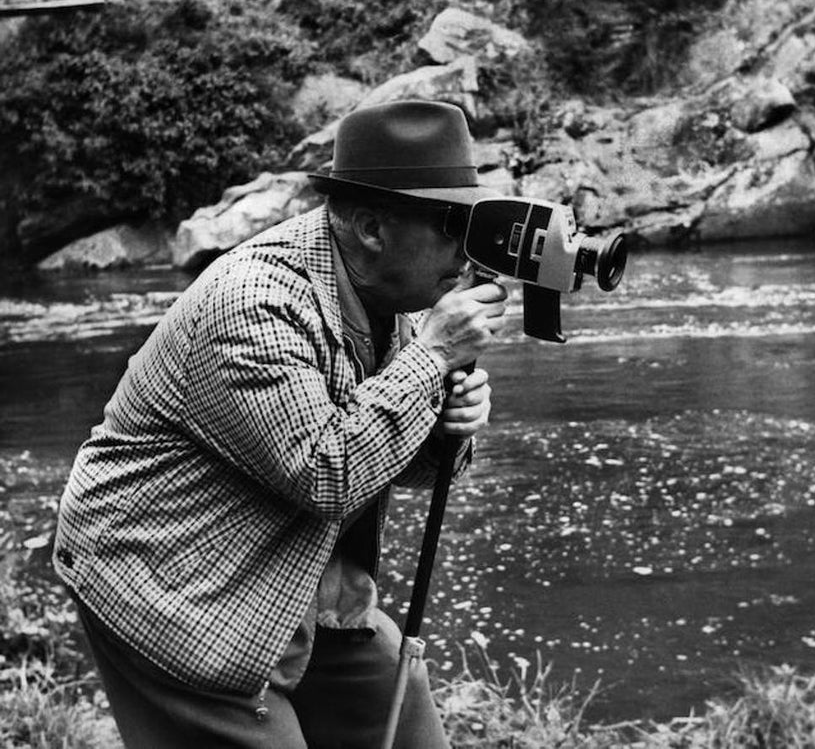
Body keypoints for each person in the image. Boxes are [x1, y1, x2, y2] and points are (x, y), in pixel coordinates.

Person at [53, 100, 508, 748]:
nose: (467, 250)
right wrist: (431, 355)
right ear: (373, 227)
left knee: (404, 728)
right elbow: (328, 469)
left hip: (291, 564)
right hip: (170, 581)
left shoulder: (389, 295)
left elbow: (395, 454)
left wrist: (447, 427)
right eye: (450, 223)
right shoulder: (256, 302)